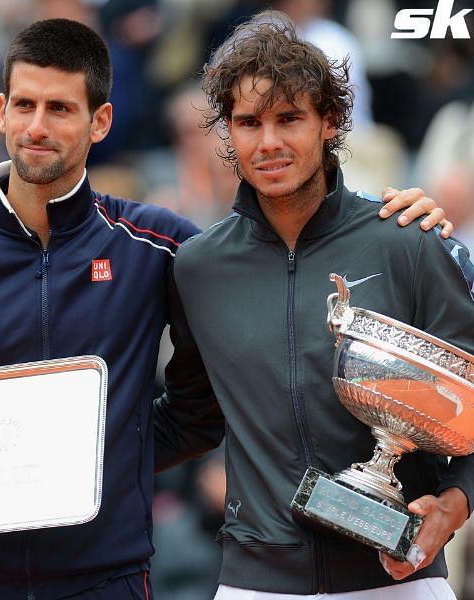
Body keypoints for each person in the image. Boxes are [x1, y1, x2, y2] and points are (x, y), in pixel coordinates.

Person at [0, 17, 446, 599]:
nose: (37, 127)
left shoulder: (159, 247)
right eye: (23, 105)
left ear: (101, 121)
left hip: (112, 579)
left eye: (61, 108)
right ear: (0, 111)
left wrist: (108, 467)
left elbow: (203, 401)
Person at [154, 11, 474, 598]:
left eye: (290, 118)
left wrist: (456, 503)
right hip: (257, 582)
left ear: (329, 122)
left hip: (399, 578)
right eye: (248, 122)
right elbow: (191, 417)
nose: (269, 142)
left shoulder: (408, 240)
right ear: (227, 131)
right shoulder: (198, 268)